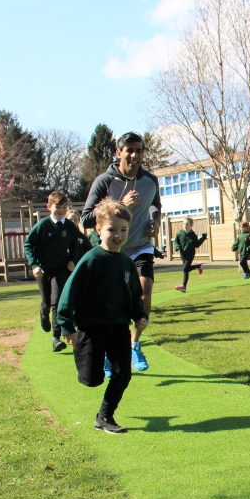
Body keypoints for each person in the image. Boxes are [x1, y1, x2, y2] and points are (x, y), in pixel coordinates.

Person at [57, 198, 148, 434]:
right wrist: (66, 326)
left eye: (123, 230)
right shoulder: (92, 259)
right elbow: (69, 293)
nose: (118, 235)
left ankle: (105, 416)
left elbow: (134, 295)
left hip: (118, 327)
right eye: (112, 229)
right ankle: (83, 359)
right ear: (98, 229)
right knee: (92, 379)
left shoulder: (127, 263)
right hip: (91, 328)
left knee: (123, 374)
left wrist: (139, 315)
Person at [81, 131, 160, 373]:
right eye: (130, 150)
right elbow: (86, 219)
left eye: (139, 150)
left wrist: (155, 221)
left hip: (141, 246)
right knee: (111, 303)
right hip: (113, 251)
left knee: (144, 295)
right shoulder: (104, 181)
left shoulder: (150, 180)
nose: (135, 155)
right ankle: (108, 352)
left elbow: (155, 204)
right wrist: (120, 205)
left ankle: (135, 344)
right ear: (118, 153)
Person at [23, 191, 79, 352]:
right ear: (49, 207)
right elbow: (28, 245)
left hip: (61, 268)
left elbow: (75, 244)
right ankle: (43, 313)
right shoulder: (43, 225)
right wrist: (35, 265)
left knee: (57, 302)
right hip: (43, 269)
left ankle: (56, 338)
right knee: (47, 302)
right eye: (58, 207)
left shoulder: (69, 226)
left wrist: (72, 260)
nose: (61, 210)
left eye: (64, 207)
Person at [173, 217, 206, 292]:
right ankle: (198, 266)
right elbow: (176, 242)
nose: (185, 225)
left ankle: (183, 286)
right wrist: (177, 247)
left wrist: (203, 238)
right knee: (187, 269)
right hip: (183, 255)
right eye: (184, 224)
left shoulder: (193, 235)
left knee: (185, 269)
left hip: (190, 255)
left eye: (187, 224)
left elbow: (197, 244)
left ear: (191, 225)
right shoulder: (179, 234)